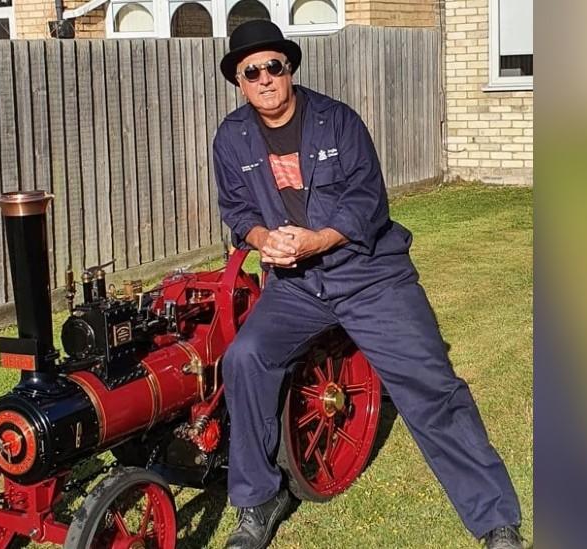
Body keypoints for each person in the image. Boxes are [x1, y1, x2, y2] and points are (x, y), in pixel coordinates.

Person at [213, 20, 524, 549]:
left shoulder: (338, 121)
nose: (264, 78)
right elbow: (237, 210)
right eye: (251, 71)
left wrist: (315, 241)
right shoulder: (231, 137)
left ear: (289, 69)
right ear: (239, 81)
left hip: (369, 274)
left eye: (273, 66)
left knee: (431, 386)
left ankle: (494, 519)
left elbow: (366, 202)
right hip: (294, 285)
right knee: (245, 359)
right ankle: (260, 498)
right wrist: (265, 239)